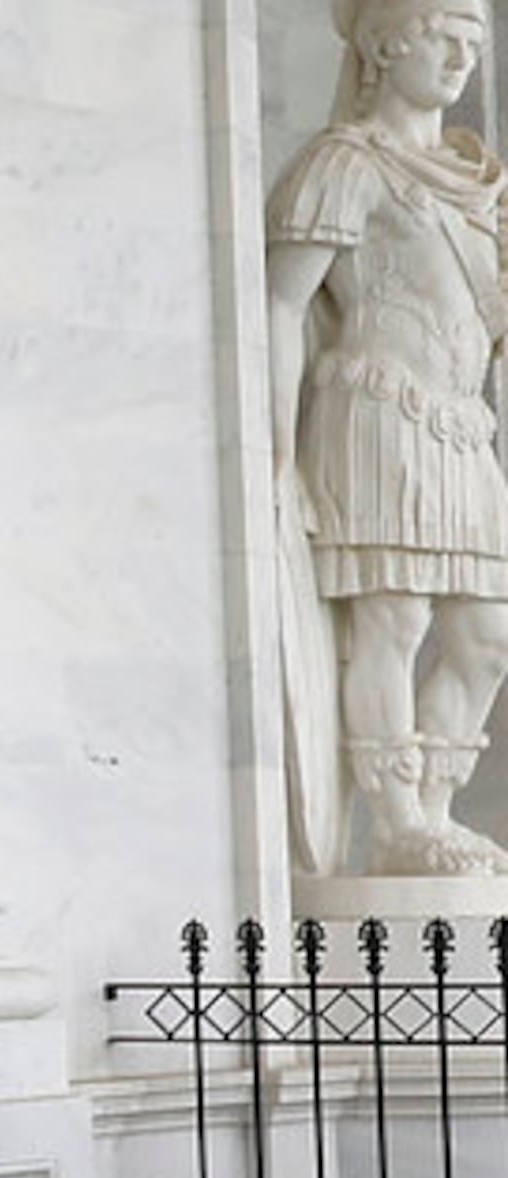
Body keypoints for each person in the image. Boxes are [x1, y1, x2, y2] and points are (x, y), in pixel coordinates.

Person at [268, 0, 508, 875]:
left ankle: (434, 815)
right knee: (394, 620)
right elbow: (283, 305)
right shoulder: (344, 164)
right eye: (444, 37)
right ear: (384, 42)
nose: (460, 60)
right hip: (374, 416)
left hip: (460, 428)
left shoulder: (479, 184)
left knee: (488, 637)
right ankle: (400, 821)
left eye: (473, 44)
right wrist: (277, 454)